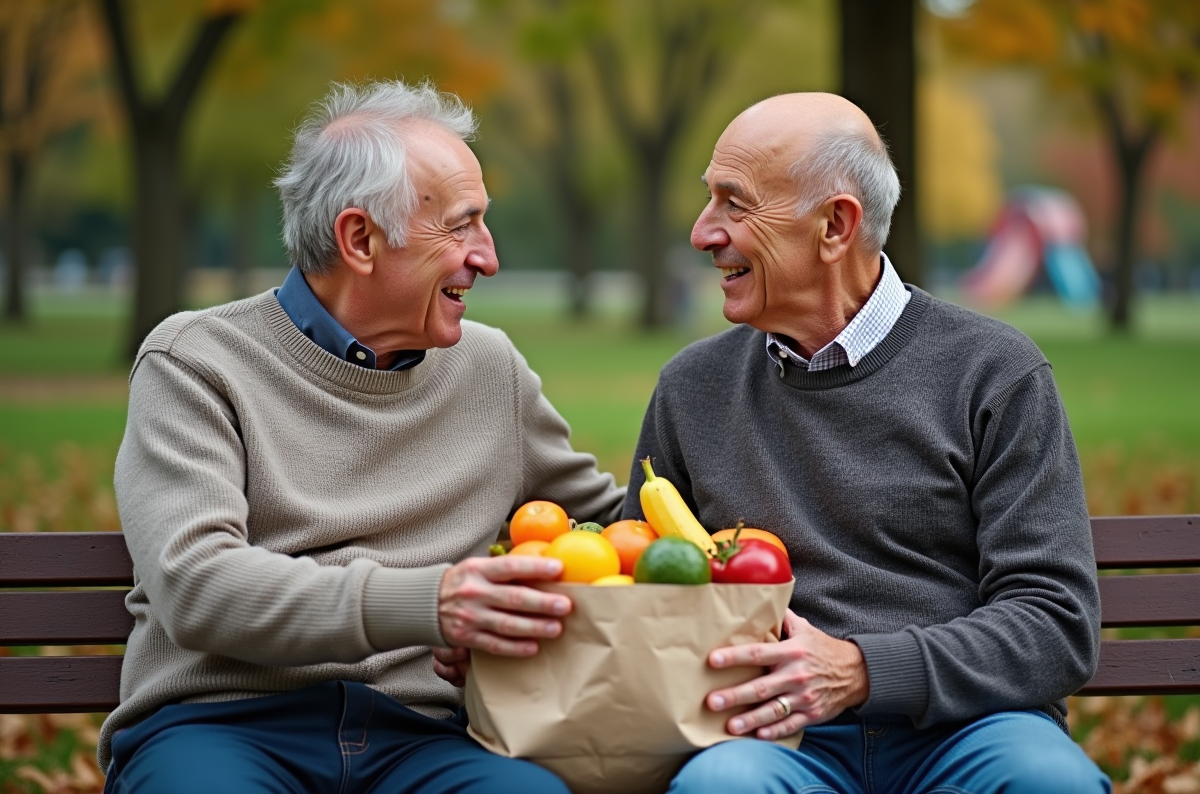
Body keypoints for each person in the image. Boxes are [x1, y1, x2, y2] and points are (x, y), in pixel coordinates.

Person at [99, 80, 622, 794]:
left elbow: (611, 528)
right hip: (222, 727)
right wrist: (428, 602)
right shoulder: (196, 361)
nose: (488, 257)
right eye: (461, 226)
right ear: (360, 239)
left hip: (425, 737)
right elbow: (197, 583)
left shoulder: (489, 369)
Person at [623, 93, 1110, 793]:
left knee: (1047, 784)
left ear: (835, 225)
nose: (703, 233)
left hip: (969, 730)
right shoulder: (692, 387)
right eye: (710, 201)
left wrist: (862, 670)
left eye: (735, 204)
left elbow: (1054, 622)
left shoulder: (995, 373)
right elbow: (639, 582)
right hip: (774, 738)